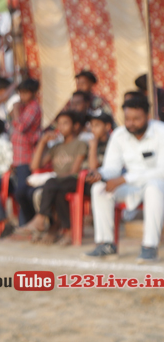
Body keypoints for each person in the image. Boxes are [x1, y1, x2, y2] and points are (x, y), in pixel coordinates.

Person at [86, 95, 164, 261]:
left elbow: (161, 171)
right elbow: (112, 167)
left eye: (136, 119)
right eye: (127, 119)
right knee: (99, 189)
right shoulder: (119, 135)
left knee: (154, 187)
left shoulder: (160, 132)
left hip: (158, 186)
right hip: (132, 186)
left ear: (147, 116)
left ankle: (149, 247)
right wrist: (101, 174)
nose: (131, 123)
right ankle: (106, 244)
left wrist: (124, 179)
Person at [27, 110, 88, 243]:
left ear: (75, 126)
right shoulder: (56, 147)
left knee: (52, 183)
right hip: (58, 184)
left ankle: (41, 219)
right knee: (57, 191)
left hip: (74, 180)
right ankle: (64, 230)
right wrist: (42, 142)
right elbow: (34, 166)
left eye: (65, 123)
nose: (61, 127)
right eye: (59, 124)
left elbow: (74, 172)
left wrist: (56, 178)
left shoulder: (80, 144)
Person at [8, 78, 43, 226]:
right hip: (19, 157)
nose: (22, 96)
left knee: (22, 192)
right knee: (20, 192)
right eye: (20, 93)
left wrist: (16, 111)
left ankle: (27, 223)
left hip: (27, 157)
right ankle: (24, 224)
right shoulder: (25, 107)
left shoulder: (33, 108)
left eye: (25, 93)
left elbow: (21, 127)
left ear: (33, 93)